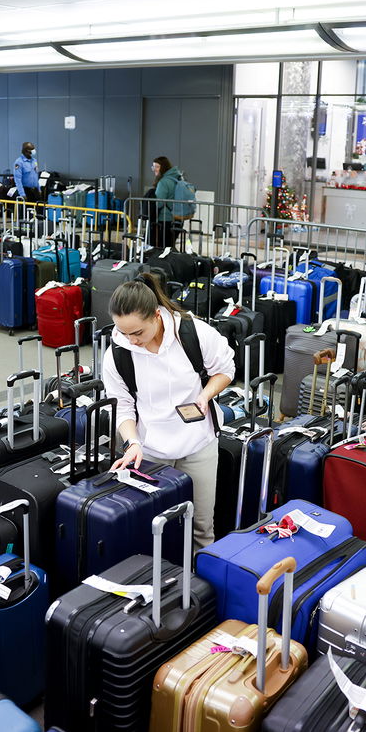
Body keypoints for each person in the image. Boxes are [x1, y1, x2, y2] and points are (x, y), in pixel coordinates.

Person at [103, 273, 235, 546]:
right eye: (124, 333)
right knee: (154, 530)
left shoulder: (193, 332)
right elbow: (123, 406)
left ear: (155, 316)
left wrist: (205, 395)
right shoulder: (117, 353)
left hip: (199, 445)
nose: (132, 340)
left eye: (137, 332)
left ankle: (199, 586)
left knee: (201, 526)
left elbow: (225, 370)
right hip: (150, 453)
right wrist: (132, 442)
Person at [151, 156, 184, 248]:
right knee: (170, 246)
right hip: (178, 218)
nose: (154, 169)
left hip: (165, 219)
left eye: (157, 167)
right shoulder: (178, 178)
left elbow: (159, 202)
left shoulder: (163, 182)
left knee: (162, 247)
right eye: (153, 167)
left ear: (163, 167)